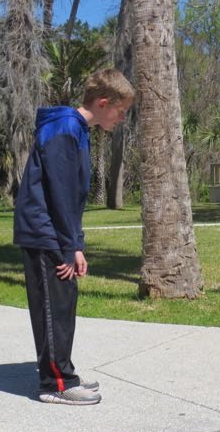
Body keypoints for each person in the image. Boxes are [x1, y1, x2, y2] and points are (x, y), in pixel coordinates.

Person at [14, 69, 135, 405]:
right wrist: (68, 248)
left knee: (63, 304)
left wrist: (76, 246)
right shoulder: (65, 129)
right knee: (53, 308)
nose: (122, 118)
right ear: (103, 102)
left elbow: (72, 198)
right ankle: (56, 384)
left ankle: (63, 372)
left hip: (55, 232)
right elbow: (60, 193)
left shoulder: (77, 129)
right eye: (121, 110)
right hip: (44, 233)